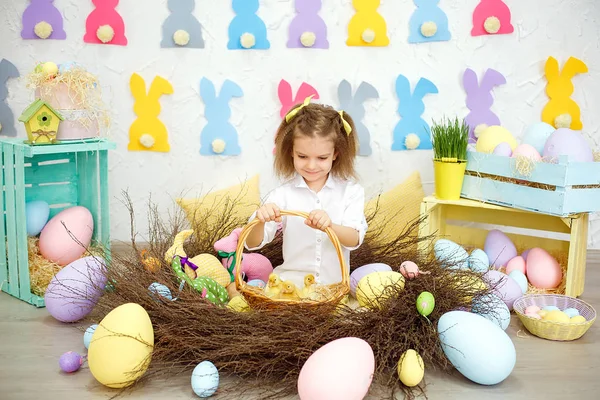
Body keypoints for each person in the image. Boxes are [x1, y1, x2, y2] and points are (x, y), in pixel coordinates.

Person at [245, 96, 368, 290]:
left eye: (322, 157)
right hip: (289, 289)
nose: (311, 165)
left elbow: (354, 239)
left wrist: (330, 226)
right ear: (291, 152)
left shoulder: (350, 192)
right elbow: (252, 242)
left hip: (332, 290)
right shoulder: (282, 195)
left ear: (335, 153)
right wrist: (260, 220)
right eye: (302, 156)